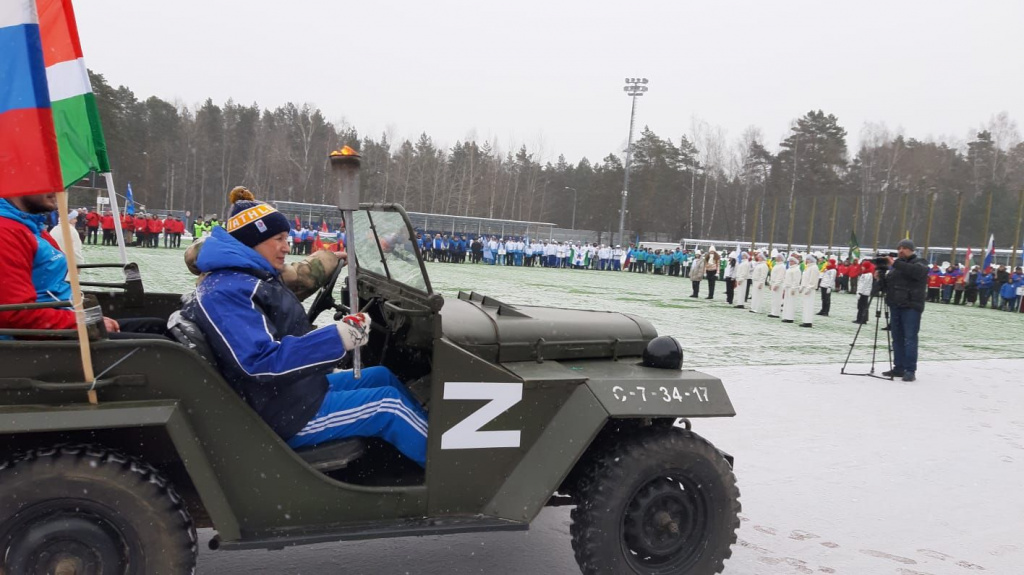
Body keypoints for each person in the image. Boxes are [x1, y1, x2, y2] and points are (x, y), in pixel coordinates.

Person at [180, 187, 427, 467]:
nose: (287, 246)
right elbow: (260, 363)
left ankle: (419, 446)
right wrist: (336, 337)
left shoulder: (247, 276)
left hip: (288, 393)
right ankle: (453, 478)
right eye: (279, 239)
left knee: (381, 376)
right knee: (388, 406)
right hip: (283, 413)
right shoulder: (229, 290)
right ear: (252, 241)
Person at [0, 193, 167, 339]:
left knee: (159, 326)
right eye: (44, 181)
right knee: (163, 347)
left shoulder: (33, 228)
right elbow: (14, 315)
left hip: (65, 322)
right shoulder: (6, 232)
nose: (56, 189)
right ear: (18, 184)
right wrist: (85, 322)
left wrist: (92, 318)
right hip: (45, 340)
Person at [876, 239, 928, 382]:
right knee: (897, 338)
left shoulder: (920, 263)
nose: (901, 250)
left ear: (912, 250)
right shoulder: (896, 268)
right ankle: (899, 367)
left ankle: (910, 370)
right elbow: (889, 287)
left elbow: (916, 272)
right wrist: (881, 278)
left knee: (910, 339)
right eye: (899, 248)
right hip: (896, 305)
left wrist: (895, 263)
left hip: (911, 306)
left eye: (904, 248)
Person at [799, 254, 820, 328]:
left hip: (810, 289)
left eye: (808, 259)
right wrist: (802, 287)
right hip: (805, 288)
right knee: (805, 305)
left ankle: (808, 321)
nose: (806, 261)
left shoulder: (814, 267)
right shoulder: (807, 267)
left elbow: (813, 279)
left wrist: (809, 288)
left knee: (809, 306)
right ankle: (805, 320)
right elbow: (804, 278)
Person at [781, 254, 802, 324]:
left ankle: (790, 318)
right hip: (787, 287)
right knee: (786, 303)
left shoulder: (797, 270)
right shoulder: (789, 269)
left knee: (791, 303)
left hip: (792, 288)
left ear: (795, 262)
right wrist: (784, 286)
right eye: (790, 261)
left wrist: (793, 288)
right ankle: (786, 316)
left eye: (792, 261)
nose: (790, 262)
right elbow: (786, 278)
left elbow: (796, 280)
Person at [854, 259, 875, 324]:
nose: (862, 267)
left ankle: (862, 319)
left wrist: (860, 292)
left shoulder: (868, 274)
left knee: (863, 306)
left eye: (863, 266)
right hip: (863, 292)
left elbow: (864, 284)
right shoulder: (865, 274)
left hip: (864, 293)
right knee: (860, 306)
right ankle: (859, 318)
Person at [768, 252, 786, 318]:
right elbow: (772, 275)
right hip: (773, 283)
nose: (776, 258)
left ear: (780, 258)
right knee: (773, 299)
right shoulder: (776, 265)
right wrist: (770, 283)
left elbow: (780, 277)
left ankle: (776, 313)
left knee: (777, 299)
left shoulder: (782, 266)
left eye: (777, 257)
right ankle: (773, 311)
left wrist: (777, 284)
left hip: (778, 284)